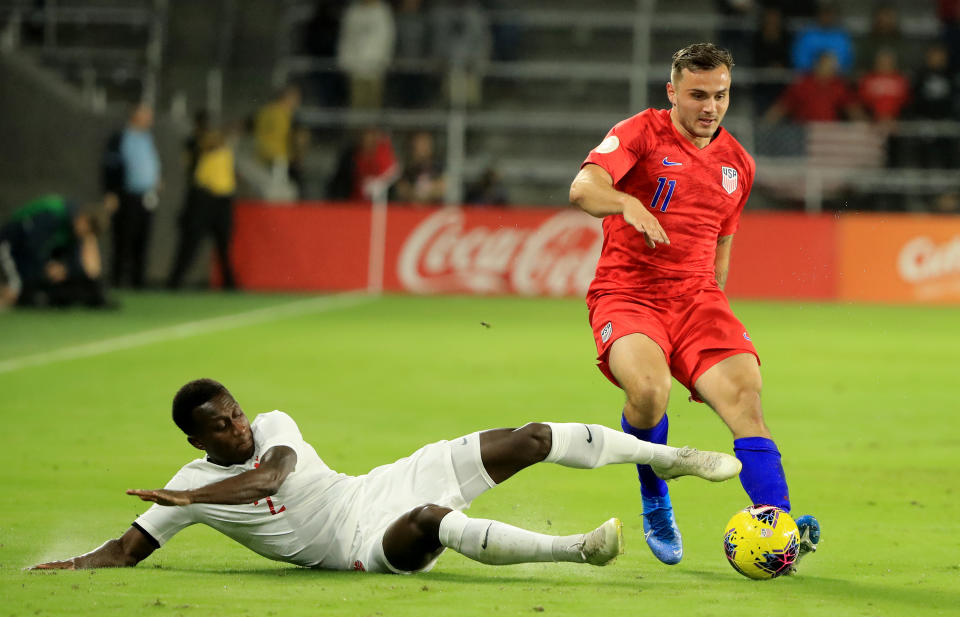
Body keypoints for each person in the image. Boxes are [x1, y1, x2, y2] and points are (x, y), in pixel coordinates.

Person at [29, 378, 742, 573]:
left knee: (527, 437)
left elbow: (271, 478)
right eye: (220, 425)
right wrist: (59, 564)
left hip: (374, 485)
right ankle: (576, 550)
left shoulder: (272, 429)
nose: (238, 426)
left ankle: (674, 459)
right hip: (355, 545)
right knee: (433, 526)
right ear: (195, 438)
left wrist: (189, 495)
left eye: (236, 413)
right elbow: (124, 551)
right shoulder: (187, 489)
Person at [568, 43, 820, 569]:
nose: (710, 107)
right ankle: (655, 496)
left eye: (720, 95)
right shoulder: (639, 132)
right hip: (628, 293)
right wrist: (626, 201)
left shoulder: (738, 165)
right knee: (649, 391)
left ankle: (781, 527)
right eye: (698, 95)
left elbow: (721, 244)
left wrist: (710, 332)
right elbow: (583, 188)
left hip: (697, 301)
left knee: (746, 401)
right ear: (672, 93)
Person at [0, 194, 114, 308]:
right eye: (86, 232)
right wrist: (46, 267)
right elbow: (30, 247)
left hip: (30, 257)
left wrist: (63, 268)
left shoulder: (73, 228)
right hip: (9, 246)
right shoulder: (52, 215)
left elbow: (78, 263)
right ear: (83, 219)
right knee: (15, 291)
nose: (83, 237)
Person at [166, 127, 237, 290]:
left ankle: (229, 282)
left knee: (224, 246)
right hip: (202, 200)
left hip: (222, 202)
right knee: (190, 244)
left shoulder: (225, 153)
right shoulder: (198, 155)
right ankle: (174, 281)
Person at [102, 102, 161, 289]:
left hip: (147, 196)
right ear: (135, 115)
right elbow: (110, 166)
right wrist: (110, 192)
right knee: (123, 238)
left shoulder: (148, 138)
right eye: (146, 115)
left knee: (143, 239)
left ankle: (139, 281)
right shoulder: (121, 138)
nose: (150, 119)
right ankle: (118, 280)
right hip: (127, 195)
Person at [764, 50, 864, 123]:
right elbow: (782, 106)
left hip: (829, 133)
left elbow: (852, 108)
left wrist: (865, 124)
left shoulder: (838, 85)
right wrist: (765, 123)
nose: (832, 68)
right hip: (803, 133)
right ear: (817, 64)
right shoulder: (802, 84)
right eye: (827, 64)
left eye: (833, 65)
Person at [336, 0, 395, 110]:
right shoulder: (353, 11)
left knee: (374, 107)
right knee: (357, 106)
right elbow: (346, 38)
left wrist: (385, 62)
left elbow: (388, 40)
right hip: (356, 69)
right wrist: (345, 62)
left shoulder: (383, 12)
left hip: (376, 69)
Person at [392, 130, 445, 204]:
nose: (423, 147)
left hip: (435, 211)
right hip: (410, 211)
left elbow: (443, 188)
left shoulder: (438, 167)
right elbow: (402, 190)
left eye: (425, 143)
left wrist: (422, 194)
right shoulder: (406, 170)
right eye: (419, 143)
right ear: (412, 145)